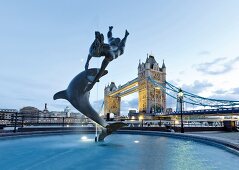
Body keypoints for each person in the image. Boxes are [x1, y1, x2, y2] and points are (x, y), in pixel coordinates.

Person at [85, 26, 129, 91]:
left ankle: (126, 35)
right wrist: (87, 62)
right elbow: (90, 54)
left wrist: (92, 85)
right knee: (110, 38)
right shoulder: (108, 43)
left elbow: (101, 71)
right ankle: (114, 30)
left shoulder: (111, 55)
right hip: (111, 44)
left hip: (117, 49)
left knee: (121, 44)